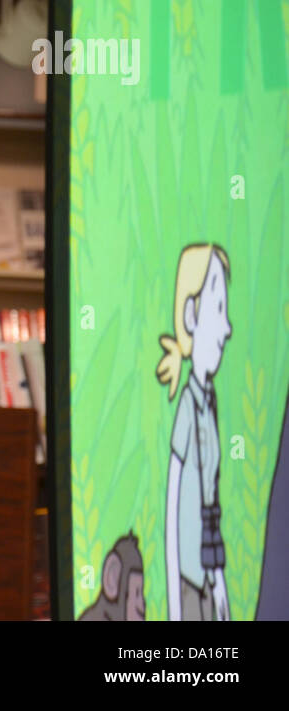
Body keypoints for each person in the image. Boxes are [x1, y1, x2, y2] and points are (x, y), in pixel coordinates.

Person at [158, 243, 231, 620]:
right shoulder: (188, 406)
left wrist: (220, 587)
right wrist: (174, 607)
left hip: (207, 577)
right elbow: (173, 512)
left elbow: (210, 505)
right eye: (219, 309)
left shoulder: (210, 404)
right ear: (190, 314)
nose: (228, 328)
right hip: (188, 583)